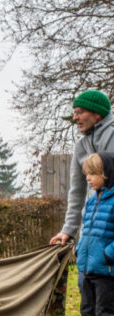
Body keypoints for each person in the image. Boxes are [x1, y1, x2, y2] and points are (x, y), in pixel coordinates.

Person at [50, 90, 114, 247]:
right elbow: (77, 192)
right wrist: (68, 230)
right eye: (74, 113)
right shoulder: (80, 147)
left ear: (97, 114)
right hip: (91, 234)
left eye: (80, 112)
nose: (75, 118)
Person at [73, 153, 114, 316]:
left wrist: (108, 255)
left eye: (94, 173)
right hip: (87, 269)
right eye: (87, 173)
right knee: (87, 314)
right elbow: (86, 231)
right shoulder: (91, 202)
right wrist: (80, 250)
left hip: (106, 272)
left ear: (107, 174)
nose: (88, 178)